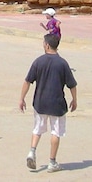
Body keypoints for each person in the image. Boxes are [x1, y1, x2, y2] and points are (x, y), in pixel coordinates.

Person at [19, 33, 78, 173]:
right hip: (57, 104)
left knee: (37, 129)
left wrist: (22, 98)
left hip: (40, 102)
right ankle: (52, 162)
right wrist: (74, 100)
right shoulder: (63, 63)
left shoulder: (38, 61)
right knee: (56, 132)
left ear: (47, 45)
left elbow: (27, 81)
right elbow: (72, 85)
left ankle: (32, 152)